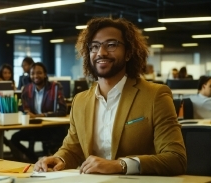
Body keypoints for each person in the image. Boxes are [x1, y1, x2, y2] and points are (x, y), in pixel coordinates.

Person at [34, 17, 186, 176]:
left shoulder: (155, 95)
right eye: (94, 46)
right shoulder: (80, 101)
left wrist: (121, 165)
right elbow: (73, 149)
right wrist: (60, 159)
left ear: (128, 53)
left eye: (111, 45)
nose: (101, 52)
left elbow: (176, 158)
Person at [10, 62, 68, 162]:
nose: (35, 76)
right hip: (33, 127)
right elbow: (23, 107)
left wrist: (40, 115)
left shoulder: (55, 87)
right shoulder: (27, 89)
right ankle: (32, 159)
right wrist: (26, 112)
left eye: (39, 73)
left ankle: (46, 159)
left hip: (51, 128)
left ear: (45, 74)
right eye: (32, 73)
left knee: (56, 139)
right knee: (14, 139)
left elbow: (63, 110)